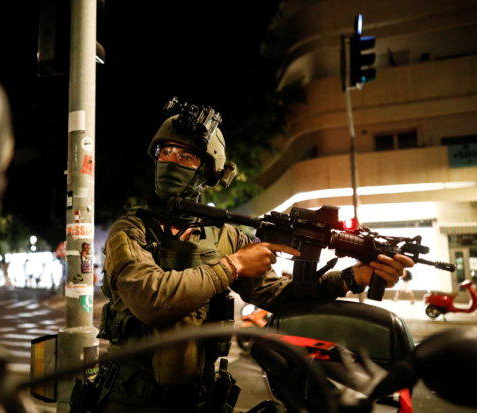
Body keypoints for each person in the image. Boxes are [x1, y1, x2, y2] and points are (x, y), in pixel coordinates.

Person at [93, 99, 414, 412]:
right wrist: (233, 266)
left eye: (186, 156)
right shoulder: (131, 229)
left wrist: (351, 278)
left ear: (207, 170)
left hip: (197, 397)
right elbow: (150, 301)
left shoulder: (225, 235)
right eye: (166, 152)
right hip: (129, 398)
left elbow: (278, 295)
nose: (171, 162)